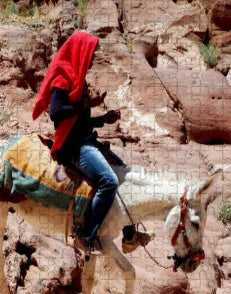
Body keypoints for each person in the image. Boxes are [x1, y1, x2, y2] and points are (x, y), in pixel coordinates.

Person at [32, 31, 152, 254]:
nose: (93, 58)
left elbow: (80, 120)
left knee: (123, 174)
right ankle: (86, 236)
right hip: (73, 146)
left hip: (85, 139)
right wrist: (87, 105)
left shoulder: (78, 79)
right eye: (91, 54)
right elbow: (57, 113)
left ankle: (129, 236)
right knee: (109, 182)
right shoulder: (63, 79)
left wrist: (103, 119)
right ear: (80, 53)